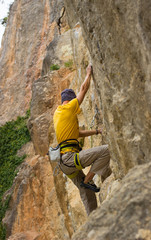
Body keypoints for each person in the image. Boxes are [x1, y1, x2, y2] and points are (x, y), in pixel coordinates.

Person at [53, 64, 111, 215]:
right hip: (70, 158)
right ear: (69, 100)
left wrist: (97, 131)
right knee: (106, 151)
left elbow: (78, 133)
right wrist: (88, 74)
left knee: (86, 194)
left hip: (64, 163)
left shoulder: (58, 114)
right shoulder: (68, 107)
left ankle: (93, 219)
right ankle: (88, 180)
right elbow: (83, 90)